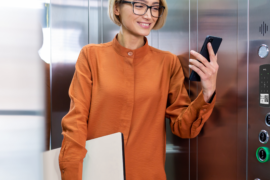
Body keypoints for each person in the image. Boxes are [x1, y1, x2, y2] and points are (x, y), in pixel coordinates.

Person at [58, 0, 219, 179]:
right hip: (98, 173)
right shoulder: (91, 56)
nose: (149, 15)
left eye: (155, 7)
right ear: (117, 7)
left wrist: (207, 92)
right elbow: (76, 123)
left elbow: (183, 128)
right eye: (140, 5)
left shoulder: (168, 63)